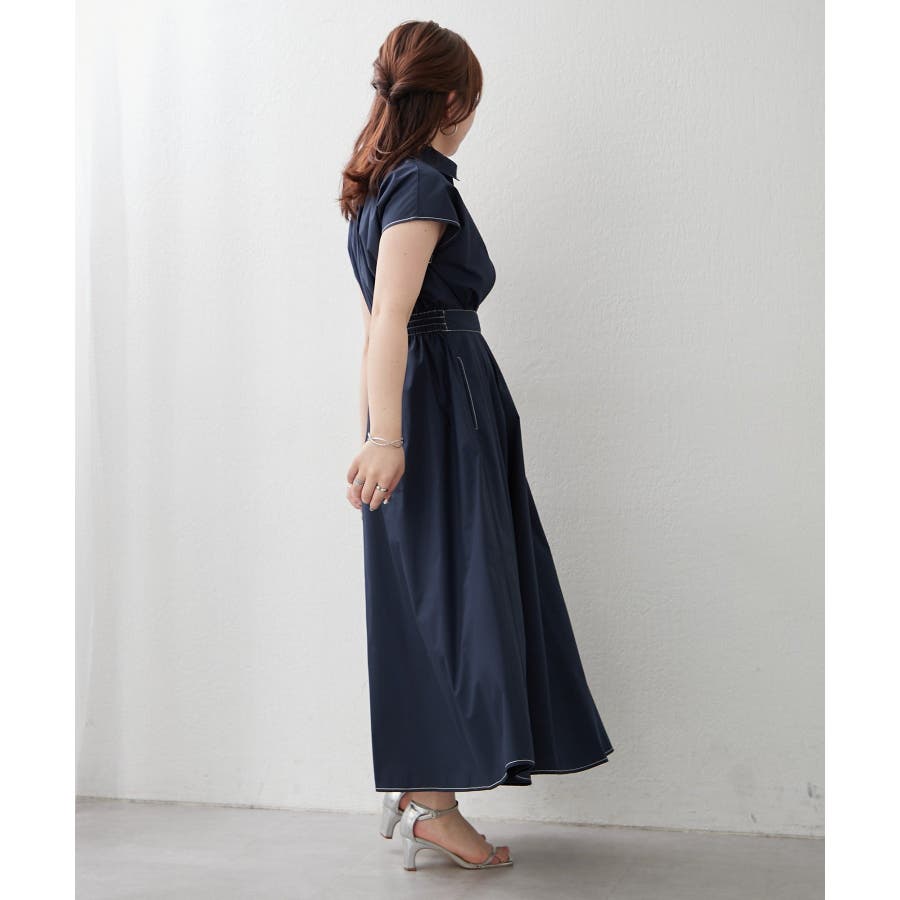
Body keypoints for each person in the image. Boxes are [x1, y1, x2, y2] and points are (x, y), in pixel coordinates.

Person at [339, 20, 614, 873]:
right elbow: (390, 318)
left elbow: (375, 325)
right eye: (475, 102)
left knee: (434, 600)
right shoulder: (420, 182)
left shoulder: (381, 184)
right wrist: (385, 435)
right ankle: (429, 800)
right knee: (459, 599)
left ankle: (429, 798)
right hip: (440, 406)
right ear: (454, 99)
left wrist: (375, 426)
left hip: (427, 404)